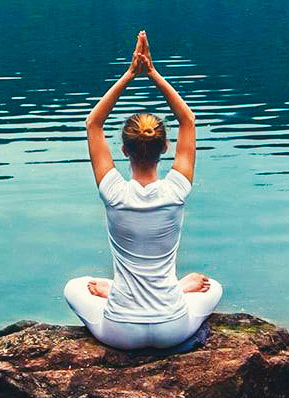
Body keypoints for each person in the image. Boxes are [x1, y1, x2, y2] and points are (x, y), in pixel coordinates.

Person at [64, 30, 222, 351]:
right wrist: (152, 73)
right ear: (165, 147)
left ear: (124, 150)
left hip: (120, 331)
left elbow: (93, 123)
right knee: (213, 286)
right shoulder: (177, 189)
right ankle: (177, 290)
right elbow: (188, 121)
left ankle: (117, 290)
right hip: (173, 327)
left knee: (75, 287)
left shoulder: (113, 192)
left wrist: (130, 74)